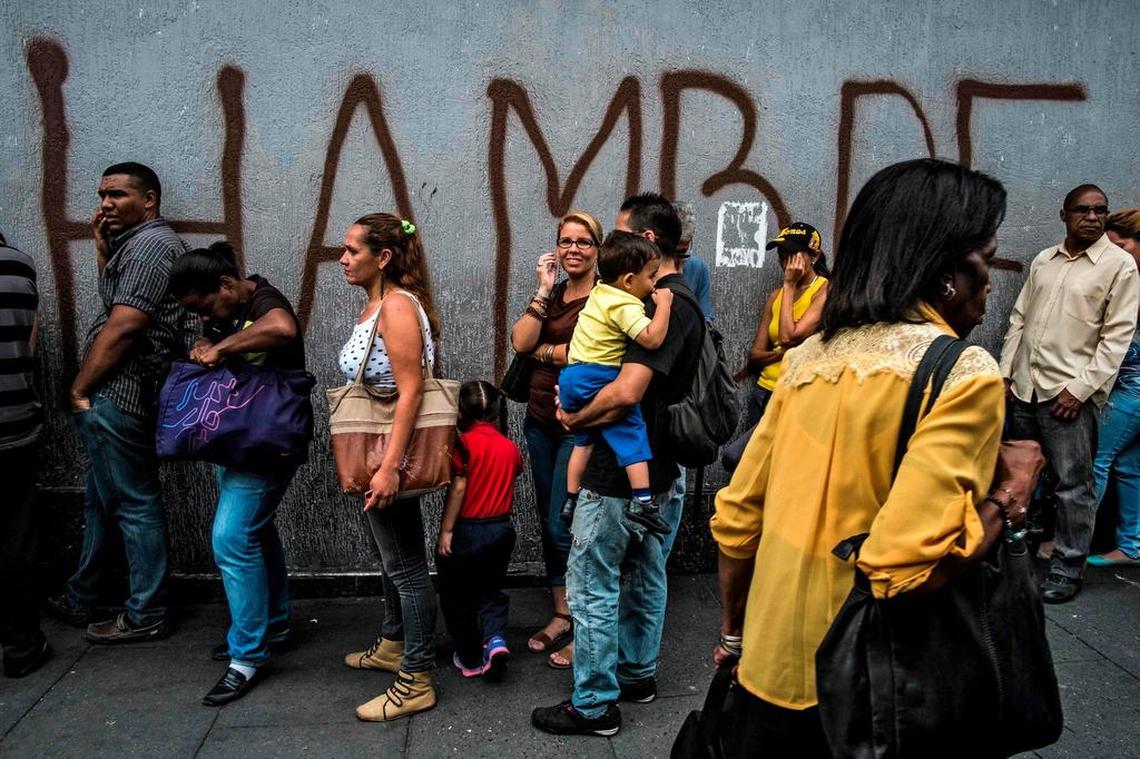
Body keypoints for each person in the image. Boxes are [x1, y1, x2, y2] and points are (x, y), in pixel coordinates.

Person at [711, 158, 1033, 755]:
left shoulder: (808, 361)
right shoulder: (963, 373)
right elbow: (901, 567)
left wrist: (734, 637)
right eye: (986, 258)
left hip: (769, 670)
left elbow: (736, 523)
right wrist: (1009, 496)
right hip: (868, 690)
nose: (991, 280)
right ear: (944, 272)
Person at [532, 192, 702, 737]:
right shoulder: (684, 300)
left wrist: (576, 417)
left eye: (618, 236)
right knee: (647, 576)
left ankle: (595, 704)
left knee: (593, 584)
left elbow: (627, 393)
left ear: (646, 243)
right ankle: (637, 675)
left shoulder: (656, 305)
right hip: (663, 467)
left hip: (616, 475)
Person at [48, 162, 195, 643]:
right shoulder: (135, 246)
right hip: (117, 392)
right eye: (101, 194)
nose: (105, 203)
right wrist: (102, 249)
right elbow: (118, 301)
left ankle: (146, 612)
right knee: (102, 498)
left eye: (117, 195)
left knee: (134, 502)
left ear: (149, 199)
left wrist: (79, 388)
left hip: (120, 392)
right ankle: (83, 593)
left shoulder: (152, 246)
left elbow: (125, 324)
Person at [168, 241, 307, 706]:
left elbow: (283, 328)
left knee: (231, 538)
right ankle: (275, 624)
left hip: (265, 441)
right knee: (255, 532)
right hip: (239, 437)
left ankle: (246, 655)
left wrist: (222, 345)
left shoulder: (266, 299)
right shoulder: (224, 309)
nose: (204, 313)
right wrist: (208, 342)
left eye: (206, 303)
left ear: (228, 284)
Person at [1000, 184, 1140, 603]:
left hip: (1068, 397)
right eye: (1083, 210)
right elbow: (1020, 318)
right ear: (1065, 214)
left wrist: (1079, 391)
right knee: (1017, 474)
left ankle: (1067, 568)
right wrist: (1007, 374)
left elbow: (1116, 339)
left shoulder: (1119, 267)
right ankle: (1013, 557)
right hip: (1025, 389)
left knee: (1073, 485)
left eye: (1100, 210)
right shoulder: (1046, 259)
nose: (1093, 217)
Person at [338, 213, 442, 721]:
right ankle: (395, 644)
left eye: (352, 250)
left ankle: (417, 677)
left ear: (383, 257)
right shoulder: (378, 304)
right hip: (378, 453)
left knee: (406, 569)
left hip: (388, 457)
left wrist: (391, 467)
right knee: (392, 561)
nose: (342, 258)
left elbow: (411, 392)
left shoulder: (397, 307)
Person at [510, 210, 601, 669]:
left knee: (564, 521)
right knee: (548, 518)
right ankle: (562, 613)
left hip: (578, 425)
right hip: (540, 418)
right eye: (566, 241)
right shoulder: (555, 294)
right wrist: (543, 290)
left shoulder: (606, 297)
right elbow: (519, 340)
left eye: (583, 242)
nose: (573, 250)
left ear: (598, 249)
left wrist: (545, 352)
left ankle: (585, 622)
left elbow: (587, 351)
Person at [559, 231, 674, 534]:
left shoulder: (599, 292)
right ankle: (644, 502)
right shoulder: (624, 304)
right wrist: (663, 306)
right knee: (632, 433)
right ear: (628, 281)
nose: (654, 284)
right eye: (651, 277)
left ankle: (569, 499)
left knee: (583, 441)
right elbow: (651, 339)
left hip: (572, 375)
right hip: (599, 374)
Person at [436, 381, 523, 680]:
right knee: (491, 590)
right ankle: (496, 641)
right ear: (497, 412)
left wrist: (446, 531)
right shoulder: (509, 447)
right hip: (501, 530)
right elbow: (515, 471)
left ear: (459, 412)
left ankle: (471, 658)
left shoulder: (462, 445)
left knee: (458, 594)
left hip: (468, 530)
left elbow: (459, 486)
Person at [0, 232, 50, 678]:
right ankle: (21, 644)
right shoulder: (19, 265)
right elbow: (29, 343)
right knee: (16, 537)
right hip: (14, 422)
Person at [735, 223, 829, 427]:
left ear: (814, 256)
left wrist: (789, 283)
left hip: (798, 392)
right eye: (782, 256)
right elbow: (755, 354)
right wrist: (781, 353)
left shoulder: (825, 291)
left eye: (793, 255)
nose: (786, 263)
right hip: (765, 391)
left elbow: (788, 336)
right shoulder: (776, 297)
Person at [1090, 209, 1140, 568]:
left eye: (1121, 246)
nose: (1115, 254)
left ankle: (1070, 541)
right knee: (1127, 464)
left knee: (1097, 457)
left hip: (1133, 387)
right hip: (1129, 383)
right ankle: (1131, 546)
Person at [675, 202, 715, 319]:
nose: (677, 262)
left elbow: (704, 316)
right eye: (670, 253)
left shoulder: (698, 268)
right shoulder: (646, 267)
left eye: (682, 253)